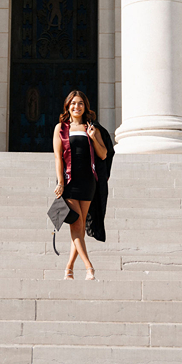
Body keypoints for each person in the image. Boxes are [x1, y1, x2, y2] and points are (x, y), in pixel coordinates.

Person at [53, 90, 109, 280]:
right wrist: (60, 182)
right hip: (69, 182)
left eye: (80, 103)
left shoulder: (92, 128)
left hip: (88, 181)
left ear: (85, 107)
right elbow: (58, 157)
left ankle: (69, 268)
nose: (76, 107)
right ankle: (89, 267)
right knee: (76, 225)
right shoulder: (61, 128)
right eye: (73, 103)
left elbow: (103, 154)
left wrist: (92, 137)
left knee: (80, 227)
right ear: (67, 107)